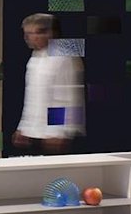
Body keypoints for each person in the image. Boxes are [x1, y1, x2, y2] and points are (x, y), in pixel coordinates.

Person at [13, 13, 84, 155]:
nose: (32, 38)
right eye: (28, 33)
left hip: (55, 137)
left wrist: (59, 132)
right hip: (35, 133)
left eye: (38, 32)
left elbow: (69, 96)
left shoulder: (64, 53)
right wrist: (25, 127)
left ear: (51, 33)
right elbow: (33, 96)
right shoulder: (35, 56)